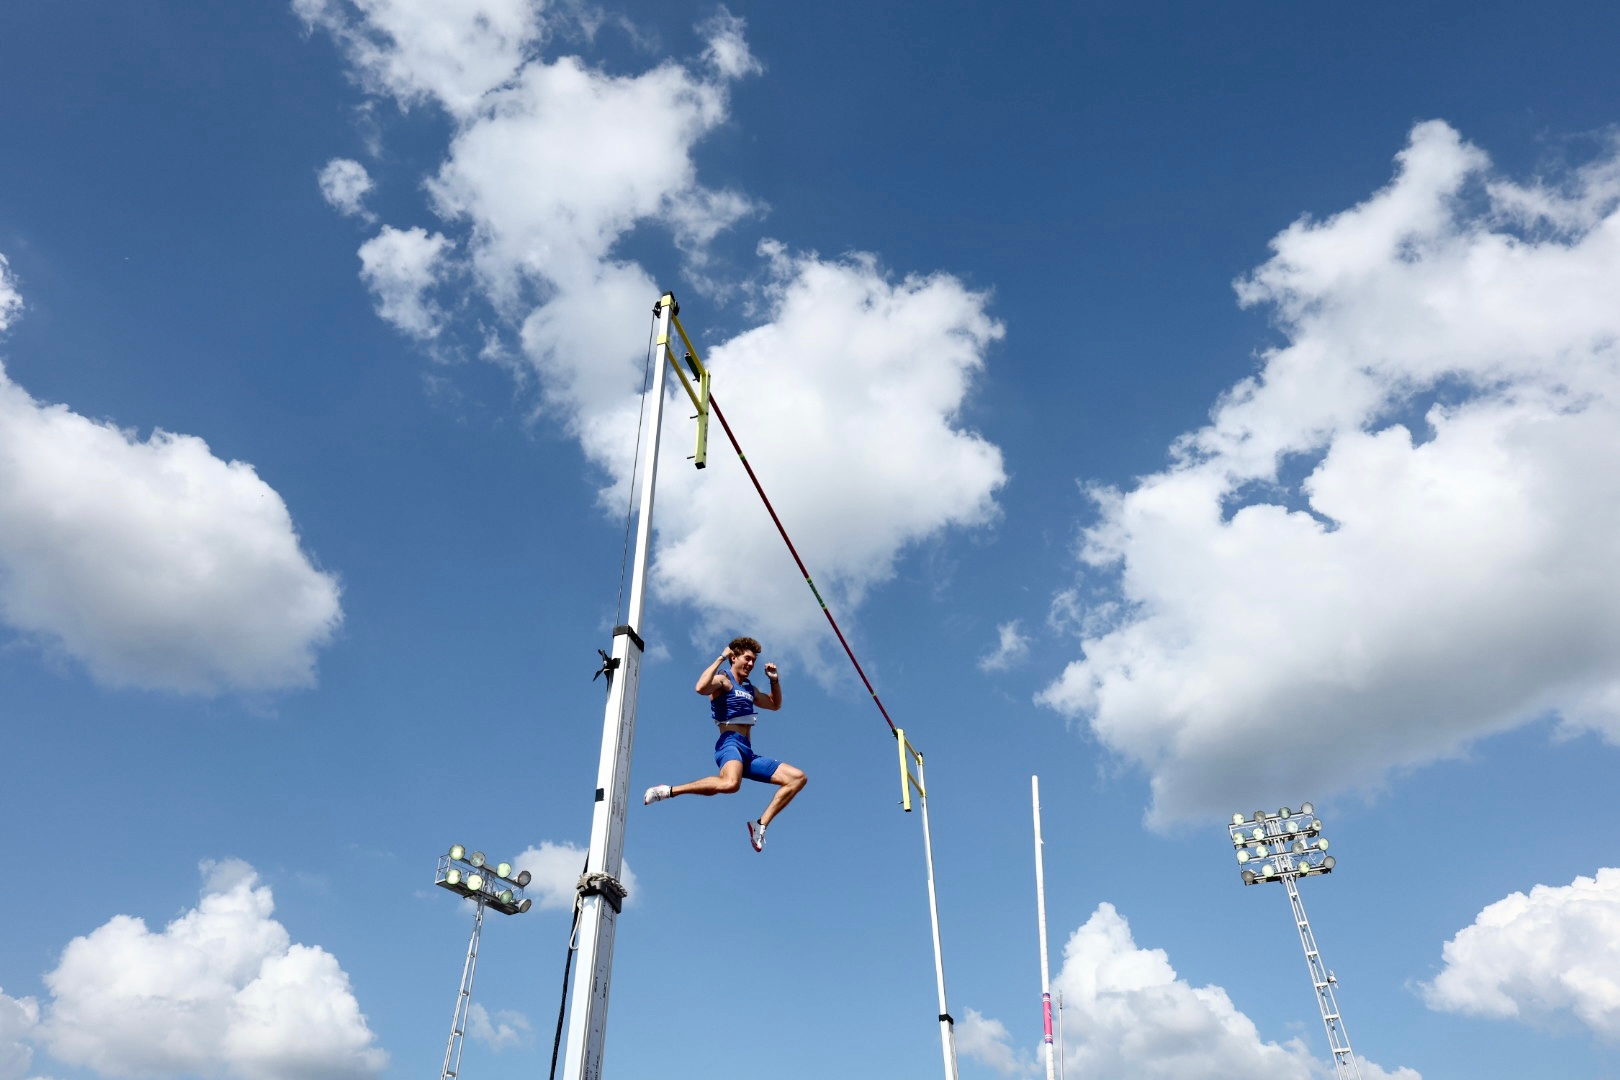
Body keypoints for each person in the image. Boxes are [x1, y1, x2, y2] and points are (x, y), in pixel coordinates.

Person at [643, 636, 807, 852]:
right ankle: (668, 791)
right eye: (747, 659)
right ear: (734, 657)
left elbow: (775, 705)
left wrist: (774, 680)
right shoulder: (724, 680)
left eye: (753, 661)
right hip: (730, 743)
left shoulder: (749, 688)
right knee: (731, 784)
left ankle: (760, 825)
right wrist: (721, 657)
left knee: (797, 778)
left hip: (747, 752)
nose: (751, 664)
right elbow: (700, 688)